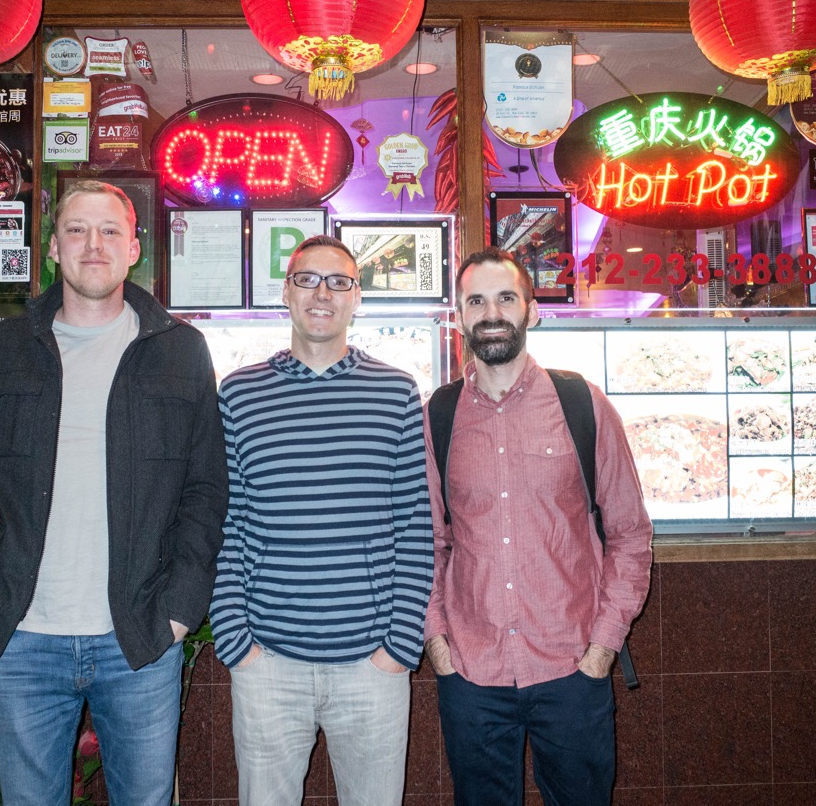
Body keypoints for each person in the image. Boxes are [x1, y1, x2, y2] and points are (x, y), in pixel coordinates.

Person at [0, 180, 228, 806]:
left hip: (140, 638)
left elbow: (205, 492)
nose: (92, 244)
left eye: (108, 231)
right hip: (20, 636)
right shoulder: (5, 349)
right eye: (76, 230)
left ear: (134, 248)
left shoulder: (180, 351)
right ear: (53, 246)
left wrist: (181, 608)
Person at [424, 247, 653, 806]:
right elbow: (426, 541)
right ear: (459, 316)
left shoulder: (582, 404)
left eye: (506, 297)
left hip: (572, 666)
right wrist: (438, 643)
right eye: (475, 301)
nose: (491, 312)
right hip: (472, 673)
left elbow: (629, 533)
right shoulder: (440, 414)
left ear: (533, 309)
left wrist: (602, 648)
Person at [210, 235, 434, 806]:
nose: (323, 294)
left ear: (357, 298)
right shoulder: (239, 393)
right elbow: (226, 523)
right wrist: (237, 640)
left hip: (372, 664)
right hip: (268, 660)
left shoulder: (396, 393)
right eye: (308, 279)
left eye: (340, 282)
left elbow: (414, 527)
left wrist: (399, 647)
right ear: (286, 291)